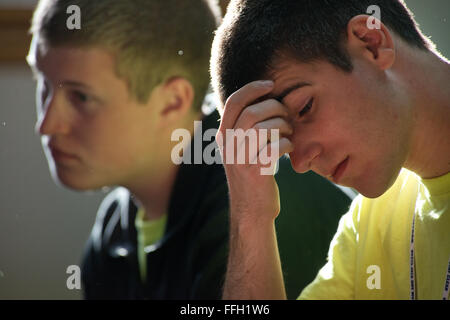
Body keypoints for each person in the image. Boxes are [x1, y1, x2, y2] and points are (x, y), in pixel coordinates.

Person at [211, 0, 450, 299]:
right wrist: (250, 218)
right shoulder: (367, 225)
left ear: (371, 42)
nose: (299, 163)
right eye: (284, 146)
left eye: (305, 108)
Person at [27, 0, 230, 299]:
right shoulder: (113, 228)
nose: (46, 125)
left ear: (172, 101)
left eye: (81, 97)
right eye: (43, 85)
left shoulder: (247, 209)